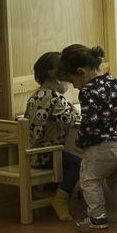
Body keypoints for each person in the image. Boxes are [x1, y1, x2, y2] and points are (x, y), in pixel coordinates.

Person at [57, 45, 117, 230]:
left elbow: (89, 121)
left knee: (89, 179)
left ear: (81, 72)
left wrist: (80, 142)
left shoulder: (88, 90)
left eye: (72, 80)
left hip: (100, 147)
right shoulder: (115, 82)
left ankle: (97, 217)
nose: (74, 86)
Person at [25, 52, 82, 222]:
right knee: (78, 164)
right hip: (47, 155)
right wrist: (76, 110)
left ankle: (49, 193)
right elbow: (72, 121)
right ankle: (60, 199)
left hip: (33, 154)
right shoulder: (56, 99)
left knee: (65, 159)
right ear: (55, 76)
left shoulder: (34, 96)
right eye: (67, 77)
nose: (69, 82)